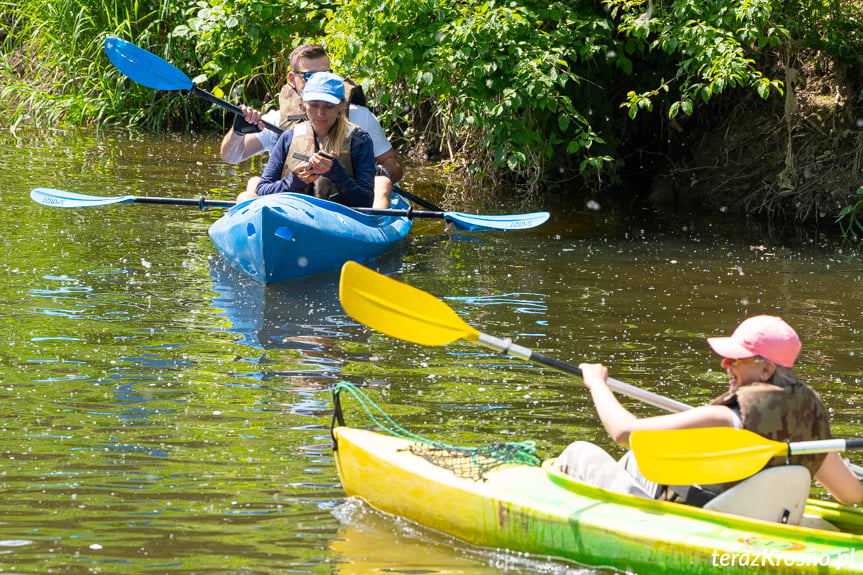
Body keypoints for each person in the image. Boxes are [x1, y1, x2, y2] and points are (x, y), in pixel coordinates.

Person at [553, 315, 863, 506]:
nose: (724, 364)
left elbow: (623, 432)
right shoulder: (808, 422)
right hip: (759, 518)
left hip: (699, 521)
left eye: (735, 359)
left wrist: (596, 383)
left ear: (767, 369)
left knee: (580, 452)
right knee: (636, 460)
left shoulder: (724, 418)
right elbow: (850, 494)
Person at [220, 43, 402, 208]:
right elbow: (231, 157)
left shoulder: (359, 126)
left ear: (340, 104)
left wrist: (371, 173)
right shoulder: (279, 125)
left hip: (345, 209)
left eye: (326, 74)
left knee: (381, 183)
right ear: (293, 79)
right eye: (310, 76)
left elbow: (389, 168)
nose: (320, 113)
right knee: (252, 186)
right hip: (294, 207)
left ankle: (374, 232)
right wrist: (238, 131)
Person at [244, 72, 374, 208]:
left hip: (338, 219)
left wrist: (337, 174)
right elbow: (262, 190)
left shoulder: (360, 141)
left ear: (342, 105)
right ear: (304, 102)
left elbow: (366, 202)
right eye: (313, 105)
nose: (320, 113)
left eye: (329, 106)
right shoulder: (288, 137)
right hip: (293, 216)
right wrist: (293, 181)